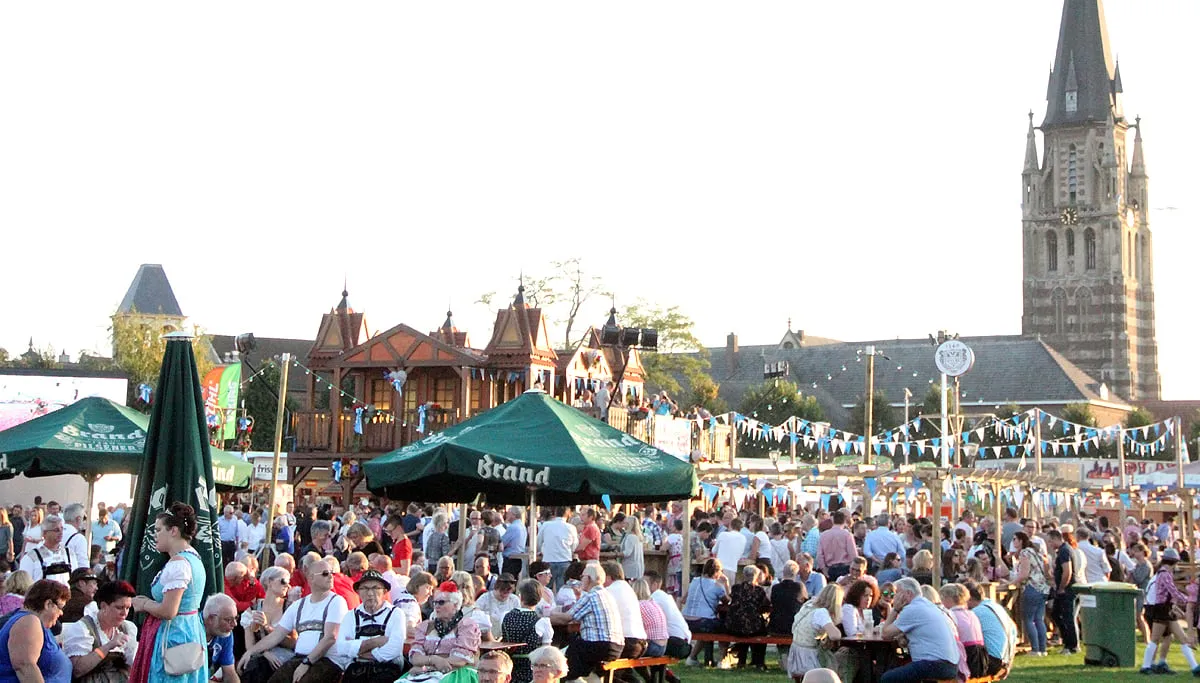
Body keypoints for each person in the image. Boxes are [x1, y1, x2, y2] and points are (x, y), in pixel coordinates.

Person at [128, 503, 209, 683]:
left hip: (174, 636)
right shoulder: (193, 557)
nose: (155, 535)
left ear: (173, 531)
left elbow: (168, 611)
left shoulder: (179, 563)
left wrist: (144, 604)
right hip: (191, 630)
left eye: (158, 530)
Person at [237, 557, 348, 683]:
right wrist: (250, 652)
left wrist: (307, 663)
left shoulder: (336, 601)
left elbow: (330, 637)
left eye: (331, 573)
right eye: (325, 573)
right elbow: (275, 636)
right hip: (300, 658)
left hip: (327, 660)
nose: (331, 577)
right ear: (311, 578)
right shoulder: (298, 605)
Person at [548, 562, 623, 680]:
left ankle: (570, 678)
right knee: (577, 646)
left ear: (588, 578)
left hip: (600, 645)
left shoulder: (591, 596)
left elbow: (567, 618)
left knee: (569, 653)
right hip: (616, 646)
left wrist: (545, 617)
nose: (581, 579)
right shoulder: (607, 594)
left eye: (582, 577)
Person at [879, 578, 960, 683]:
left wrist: (895, 609)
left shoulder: (913, 609)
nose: (894, 597)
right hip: (950, 664)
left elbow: (885, 634)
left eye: (896, 593)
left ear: (907, 593)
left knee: (887, 678)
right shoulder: (927, 604)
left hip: (935, 664)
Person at [332, 570, 406, 683]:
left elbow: (394, 649)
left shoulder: (396, 613)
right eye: (365, 588)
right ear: (358, 592)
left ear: (384, 591)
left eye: (376, 588)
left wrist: (359, 652)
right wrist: (374, 643)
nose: (370, 593)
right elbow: (341, 648)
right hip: (357, 669)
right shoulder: (351, 616)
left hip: (387, 668)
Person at [404, 581, 481, 683]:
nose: (436, 606)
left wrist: (427, 667)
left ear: (455, 604)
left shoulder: (467, 626)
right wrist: (433, 660)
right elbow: (415, 657)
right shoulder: (425, 626)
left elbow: (459, 659)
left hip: (456, 673)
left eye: (441, 602)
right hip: (423, 674)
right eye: (434, 602)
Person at [64, 579, 138, 683]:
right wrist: (108, 646)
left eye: (128, 608)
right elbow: (77, 670)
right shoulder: (83, 628)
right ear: (103, 606)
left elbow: (132, 667)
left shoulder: (128, 628)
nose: (124, 613)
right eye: (119, 607)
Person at [0, 579, 72, 683]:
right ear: (48, 604)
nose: (61, 613)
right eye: (60, 607)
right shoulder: (29, 621)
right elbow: (25, 667)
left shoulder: (35, 623)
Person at [1142, 548, 1200, 675]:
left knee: (1182, 638)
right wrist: (1188, 600)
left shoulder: (1162, 573)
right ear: (1174, 562)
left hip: (1166, 609)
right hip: (1162, 609)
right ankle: (1145, 666)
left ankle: (1195, 668)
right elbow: (1173, 591)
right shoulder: (1164, 574)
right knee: (1155, 639)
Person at [240, 565, 292, 680]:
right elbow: (250, 646)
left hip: (284, 657)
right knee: (255, 664)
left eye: (288, 582)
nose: (287, 586)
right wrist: (265, 653)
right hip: (260, 656)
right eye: (283, 581)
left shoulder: (289, 608)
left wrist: (267, 627)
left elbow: (293, 643)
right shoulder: (253, 609)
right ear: (269, 582)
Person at [787, 584, 843, 678]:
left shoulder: (809, 604)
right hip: (808, 657)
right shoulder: (821, 613)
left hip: (795, 652)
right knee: (835, 664)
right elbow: (835, 635)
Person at [501, 580, 553, 683]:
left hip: (509, 669)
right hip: (531, 673)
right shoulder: (543, 622)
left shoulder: (505, 616)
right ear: (539, 599)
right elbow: (545, 652)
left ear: (520, 596)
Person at [963, 580, 1017, 677]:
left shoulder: (976, 612)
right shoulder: (996, 607)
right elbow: (1014, 629)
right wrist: (1009, 663)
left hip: (991, 663)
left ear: (969, 598)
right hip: (1005, 660)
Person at [682, 558, 729, 666]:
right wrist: (726, 584)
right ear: (717, 572)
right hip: (703, 622)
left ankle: (692, 658)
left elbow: (684, 599)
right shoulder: (717, 586)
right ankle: (722, 660)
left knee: (705, 631)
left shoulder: (694, 581)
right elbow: (727, 602)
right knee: (726, 627)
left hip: (686, 621)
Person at [1012, 530, 1050, 657]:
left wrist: (1012, 582)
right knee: (1039, 619)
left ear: (1021, 540)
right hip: (1042, 588)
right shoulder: (1036, 552)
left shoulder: (1025, 553)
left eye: (1015, 539)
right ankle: (1042, 648)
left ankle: (1035, 649)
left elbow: (1024, 574)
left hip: (1031, 587)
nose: (1013, 542)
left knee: (1028, 619)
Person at [727, 565, 770, 670]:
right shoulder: (759, 591)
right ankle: (759, 662)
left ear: (744, 575)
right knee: (762, 630)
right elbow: (766, 606)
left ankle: (741, 661)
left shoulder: (735, 588)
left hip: (734, 625)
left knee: (743, 626)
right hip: (753, 626)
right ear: (756, 576)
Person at [940, 583, 987, 678]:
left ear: (949, 599)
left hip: (967, 658)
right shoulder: (971, 614)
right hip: (980, 659)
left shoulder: (951, 615)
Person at [19, 516, 83, 584]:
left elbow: (75, 579)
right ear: (44, 533)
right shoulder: (31, 557)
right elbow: (24, 585)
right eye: (56, 530)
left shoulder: (69, 553)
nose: (61, 532)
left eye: (62, 529)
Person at [1047, 529, 1081, 655]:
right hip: (1066, 589)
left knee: (1068, 617)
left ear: (1056, 539)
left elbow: (1067, 571)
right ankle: (1067, 641)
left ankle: (1072, 645)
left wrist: (1061, 587)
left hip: (1068, 589)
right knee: (1056, 614)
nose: (1050, 544)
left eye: (1050, 541)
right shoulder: (1063, 550)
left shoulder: (1064, 551)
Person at [643, 570, 691, 661]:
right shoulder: (664, 596)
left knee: (643, 649)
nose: (642, 586)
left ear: (655, 585)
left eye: (645, 583)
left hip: (677, 643)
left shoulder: (656, 597)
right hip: (682, 641)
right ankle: (664, 674)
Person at [202, 593, 241, 683]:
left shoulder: (225, 633)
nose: (235, 624)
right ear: (211, 618)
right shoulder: (193, 631)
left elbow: (229, 672)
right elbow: (192, 678)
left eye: (236, 618)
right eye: (228, 620)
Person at [538, 508, 578, 592]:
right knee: (563, 589)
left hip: (548, 559)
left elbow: (538, 541)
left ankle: (547, 604)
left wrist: (542, 551)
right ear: (568, 514)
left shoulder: (546, 525)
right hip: (565, 559)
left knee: (546, 589)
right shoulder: (571, 527)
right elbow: (575, 545)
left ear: (555, 513)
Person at [711, 519, 747, 584]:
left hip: (720, 568)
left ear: (731, 525)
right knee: (729, 591)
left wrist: (714, 544)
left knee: (718, 591)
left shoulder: (723, 534)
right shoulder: (743, 538)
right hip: (733, 569)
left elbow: (714, 550)